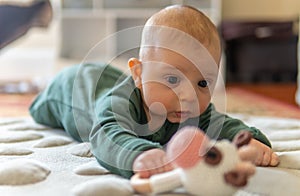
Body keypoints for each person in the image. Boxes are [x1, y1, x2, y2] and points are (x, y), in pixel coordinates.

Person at [29, 5, 279, 179]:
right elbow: (106, 135)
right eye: (172, 79)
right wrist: (140, 154)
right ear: (138, 74)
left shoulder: (189, 109)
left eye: (203, 83)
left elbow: (223, 125)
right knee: (40, 109)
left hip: (110, 77)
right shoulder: (119, 103)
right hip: (71, 86)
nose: (189, 96)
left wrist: (250, 142)